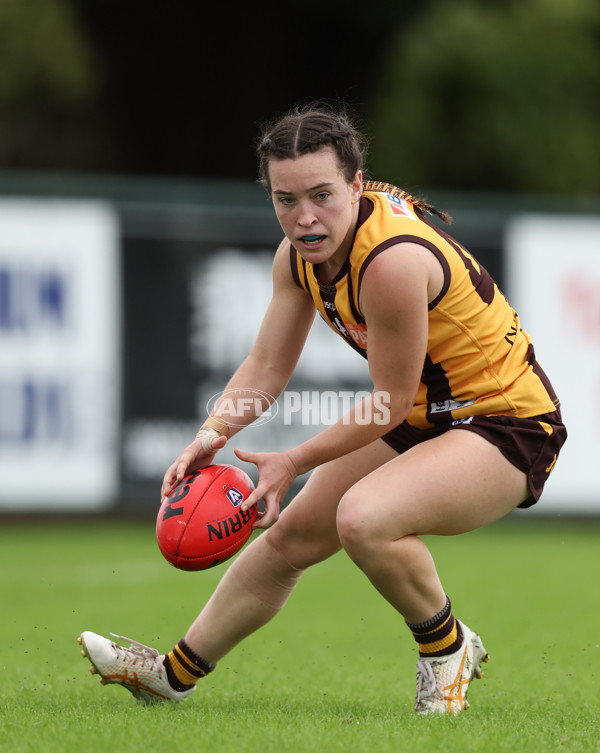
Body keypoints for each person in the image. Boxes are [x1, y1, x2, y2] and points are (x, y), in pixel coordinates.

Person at [78, 101, 567, 714]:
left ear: (356, 184)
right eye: (286, 200)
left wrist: (293, 459)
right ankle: (171, 676)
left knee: (363, 519)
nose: (305, 218)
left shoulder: (389, 263)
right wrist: (212, 432)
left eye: (321, 195)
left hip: (506, 421)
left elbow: (386, 402)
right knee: (291, 539)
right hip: (426, 412)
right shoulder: (299, 258)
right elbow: (267, 366)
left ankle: (446, 649)